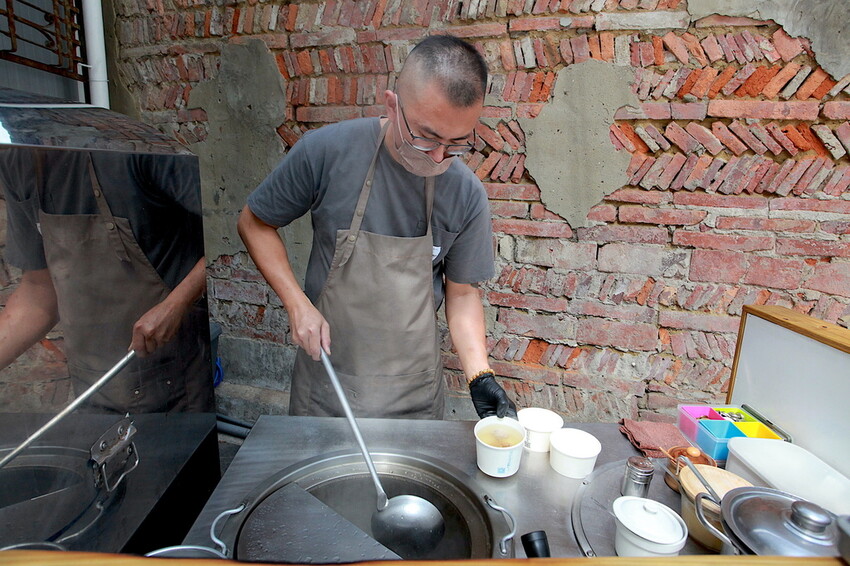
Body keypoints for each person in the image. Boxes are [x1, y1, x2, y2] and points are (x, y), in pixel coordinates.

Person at [238, 34, 517, 419]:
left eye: (456, 144)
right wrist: (297, 305)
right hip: (329, 388)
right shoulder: (326, 151)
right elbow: (254, 223)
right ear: (393, 104)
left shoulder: (466, 194)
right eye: (427, 137)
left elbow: (463, 294)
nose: (439, 156)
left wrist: (480, 377)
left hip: (415, 395)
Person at [0, 146, 214, 413]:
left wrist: (177, 302)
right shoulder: (15, 164)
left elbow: (230, 229)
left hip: (173, 386)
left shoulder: (131, 152)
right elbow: (38, 293)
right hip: (93, 388)